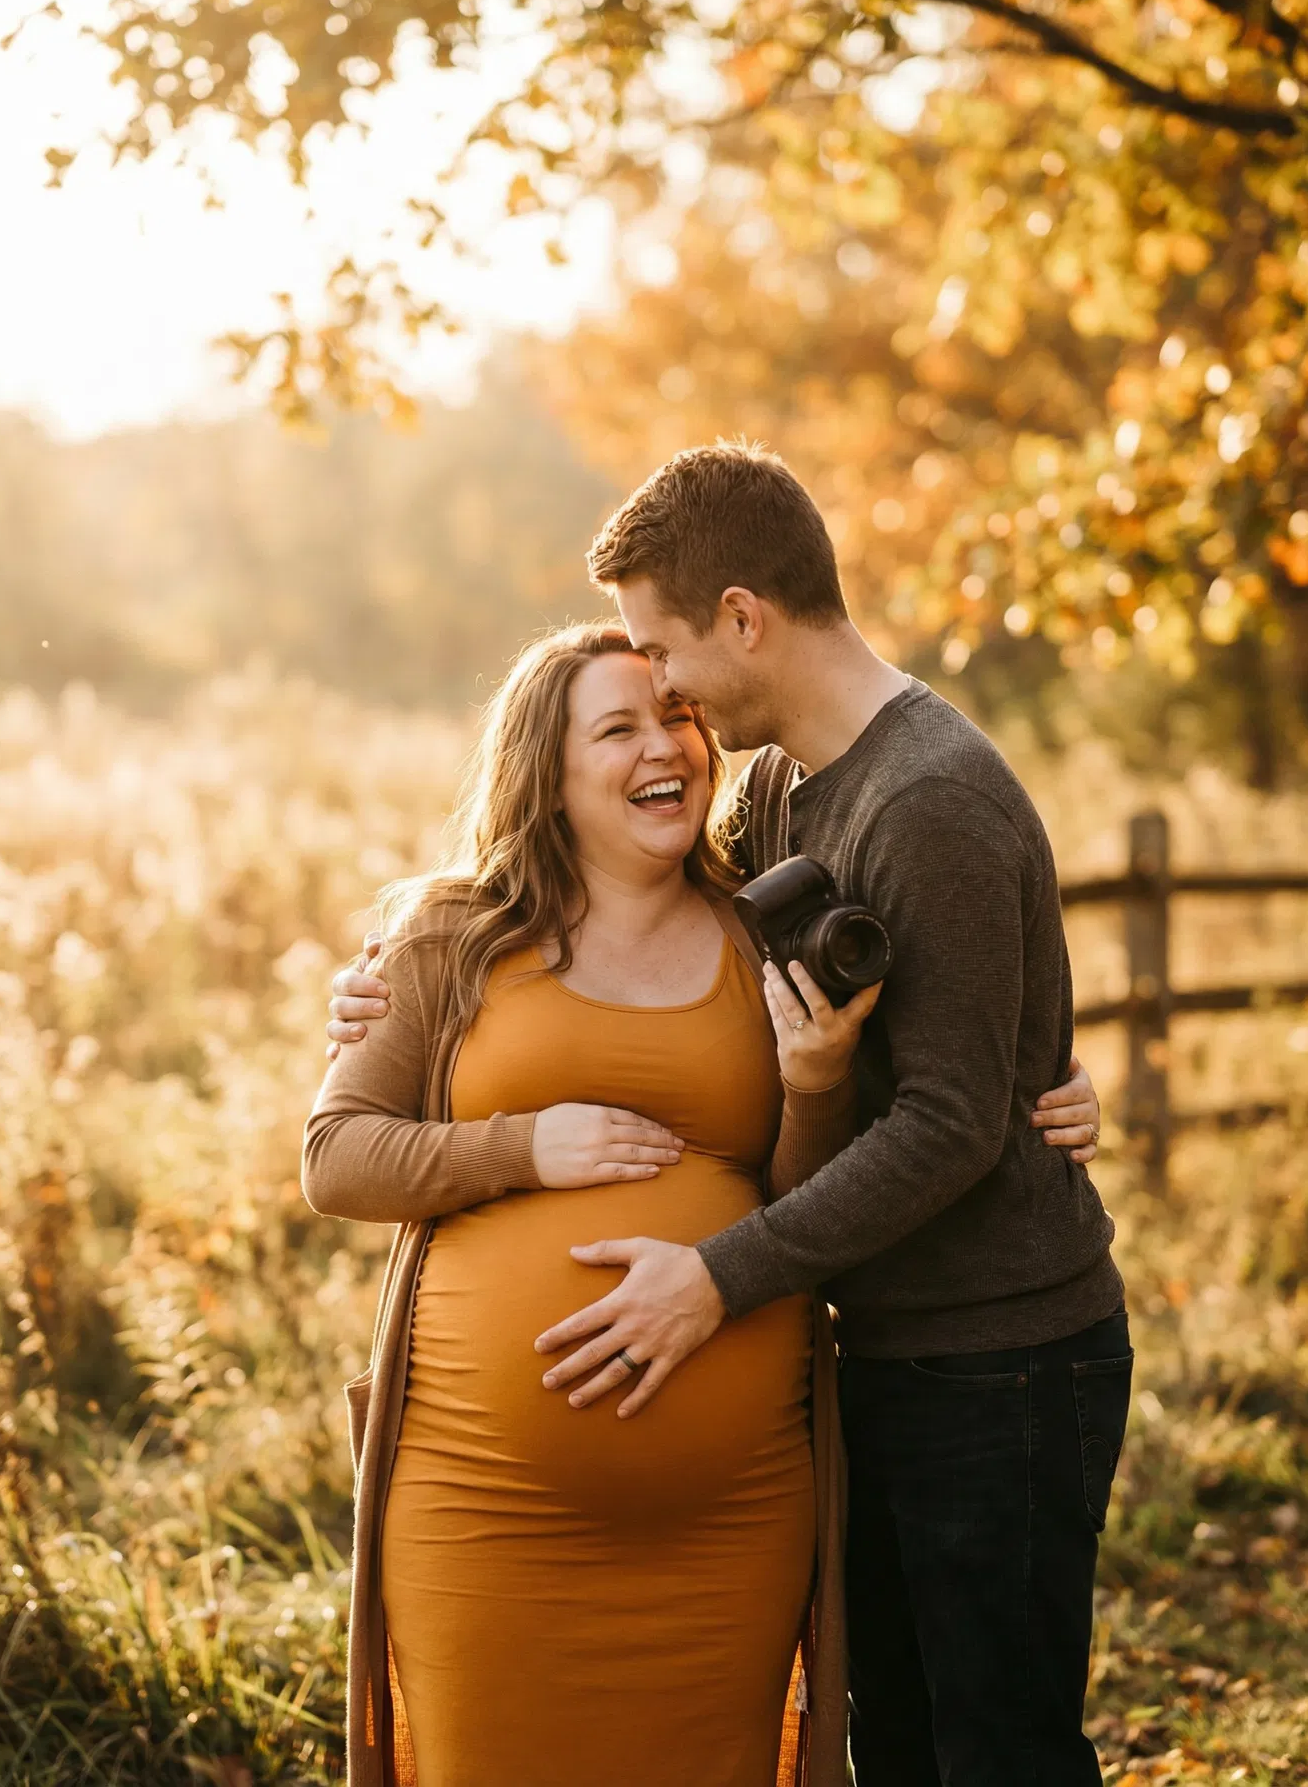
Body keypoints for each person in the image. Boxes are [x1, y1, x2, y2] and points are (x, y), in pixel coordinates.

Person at [328, 442, 1123, 1787]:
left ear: (741, 619)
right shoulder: (774, 798)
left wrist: (712, 1278)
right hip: (878, 1352)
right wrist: (389, 983)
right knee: (913, 1745)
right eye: (631, 692)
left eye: (666, 659)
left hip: (996, 1364)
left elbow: (943, 1116)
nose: (668, 701)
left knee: (999, 1750)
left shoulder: (929, 795)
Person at [305, 622, 879, 1787]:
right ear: (547, 773)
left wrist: (819, 1085)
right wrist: (523, 1145)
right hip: (484, 1512)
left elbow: (814, 1204)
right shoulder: (450, 937)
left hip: (729, 1521)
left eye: (675, 717)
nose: (663, 744)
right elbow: (337, 1158)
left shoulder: (761, 932)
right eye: (616, 728)